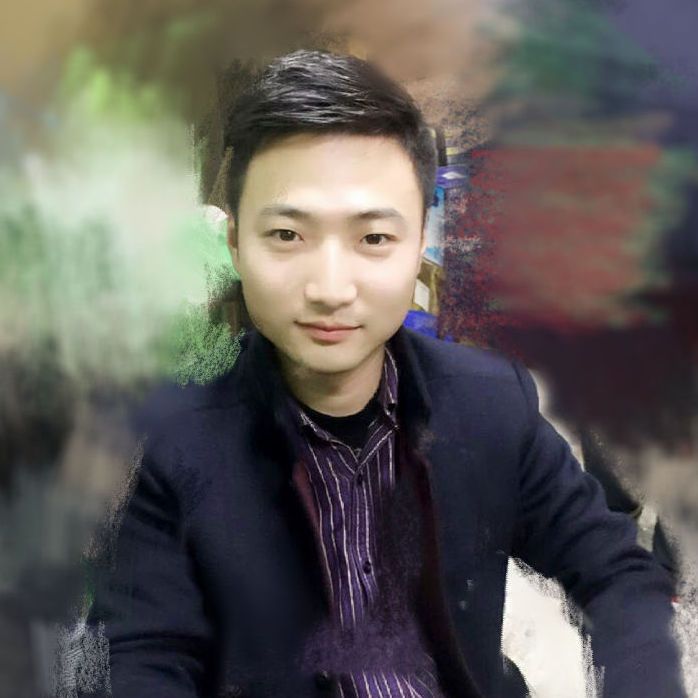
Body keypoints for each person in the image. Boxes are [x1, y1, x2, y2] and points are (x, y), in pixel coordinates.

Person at [79, 49, 686, 698]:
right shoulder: (174, 446)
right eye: (286, 235)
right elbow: (145, 655)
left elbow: (617, 575)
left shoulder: (489, 405)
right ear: (234, 243)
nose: (330, 288)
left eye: (373, 239)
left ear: (420, 242)